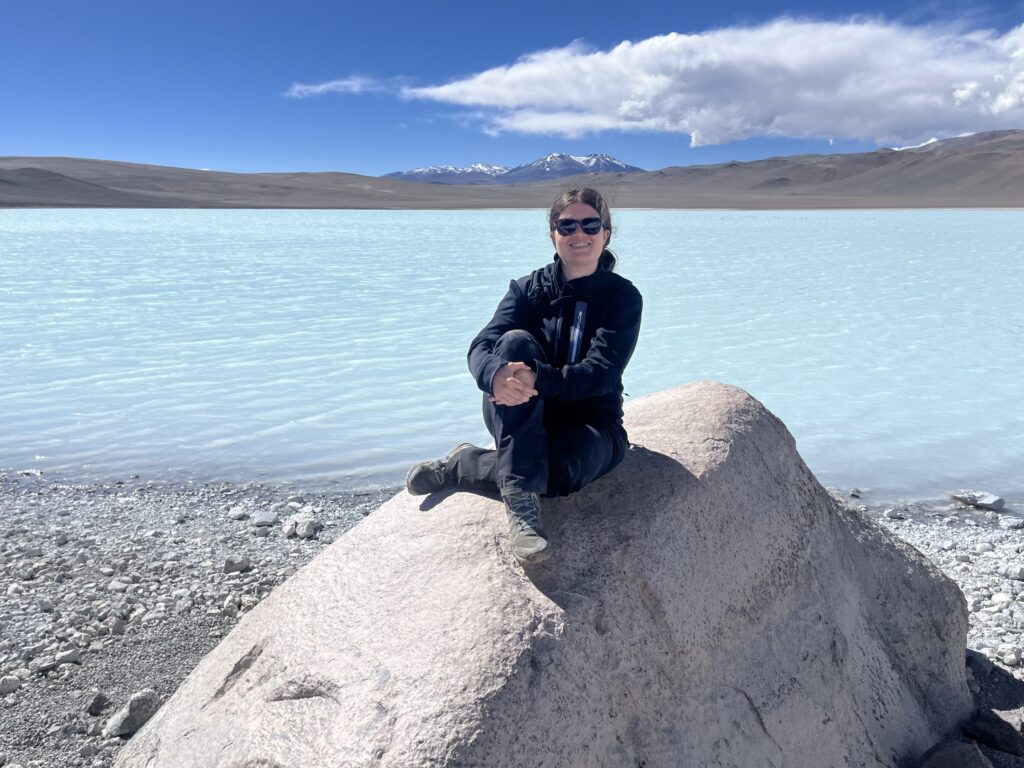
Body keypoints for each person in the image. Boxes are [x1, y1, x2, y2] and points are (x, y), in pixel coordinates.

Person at [405, 187, 643, 564]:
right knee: (513, 342)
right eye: (566, 226)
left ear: (606, 234)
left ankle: (462, 465)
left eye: (589, 224)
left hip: (592, 422)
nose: (578, 234)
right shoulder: (527, 289)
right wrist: (495, 373)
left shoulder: (622, 298)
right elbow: (482, 344)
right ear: (553, 235)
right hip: (518, 408)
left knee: (563, 472)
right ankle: (520, 505)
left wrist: (540, 378)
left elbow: (600, 373)